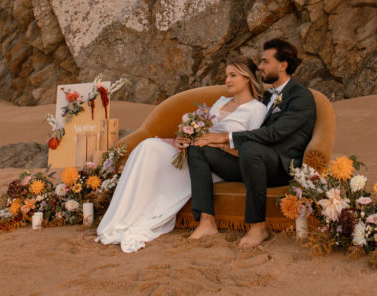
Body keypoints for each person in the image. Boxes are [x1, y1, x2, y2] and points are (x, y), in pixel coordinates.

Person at [96, 56, 267, 253]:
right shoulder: (221, 102)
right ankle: (127, 213)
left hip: (232, 162)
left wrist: (215, 142)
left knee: (199, 149)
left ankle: (206, 221)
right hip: (203, 154)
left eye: (233, 75)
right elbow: (203, 129)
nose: (227, 80)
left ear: (247, 78)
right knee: (149, 146)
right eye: (226, 75)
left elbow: (250, 150)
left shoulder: (256, 109)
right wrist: (184, 137)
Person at [187, 38, 316, 248]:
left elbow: (274, 133)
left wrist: (225, 139)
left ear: (282, 65)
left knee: (249, 148)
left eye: (265, 62)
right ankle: (206, 221)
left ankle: (258, 227)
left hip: (280, 168)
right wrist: (208, 139)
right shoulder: (265, 96)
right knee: (198, 148)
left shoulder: (301, 97)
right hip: (249, 161)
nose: (260, 67)